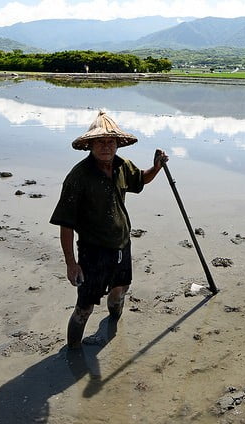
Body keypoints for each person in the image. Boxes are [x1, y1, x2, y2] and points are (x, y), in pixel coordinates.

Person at [49, 110, 168, 349]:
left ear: (117, 144)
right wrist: (71, 263)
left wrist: (156, 168)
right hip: (93, 252)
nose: (106, 147)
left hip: (122, 245)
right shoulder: (78, 176)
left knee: (120, 290)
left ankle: (113, 325)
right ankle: (73, 351)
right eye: (100, 142)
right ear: (90, 145)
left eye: (110, 142)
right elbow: (66, 224)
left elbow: (139, 180)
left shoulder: (122, 166)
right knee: (85, 307)